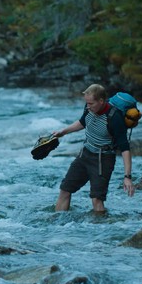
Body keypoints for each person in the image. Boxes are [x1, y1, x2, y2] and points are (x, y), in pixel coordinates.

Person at [52, 84, 135, 212]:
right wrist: (63, 132)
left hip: (103, 160)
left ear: (101, 101)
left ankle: (100, 229)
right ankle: (57, 227)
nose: (88, 106)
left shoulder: (114, 118)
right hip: (84, 155)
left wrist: (127, 177)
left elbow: (125, 149)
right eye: (87, 103)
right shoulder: (89, 108)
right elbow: (82, 122)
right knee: (65, 190)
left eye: (91, 103)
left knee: (97, 200)